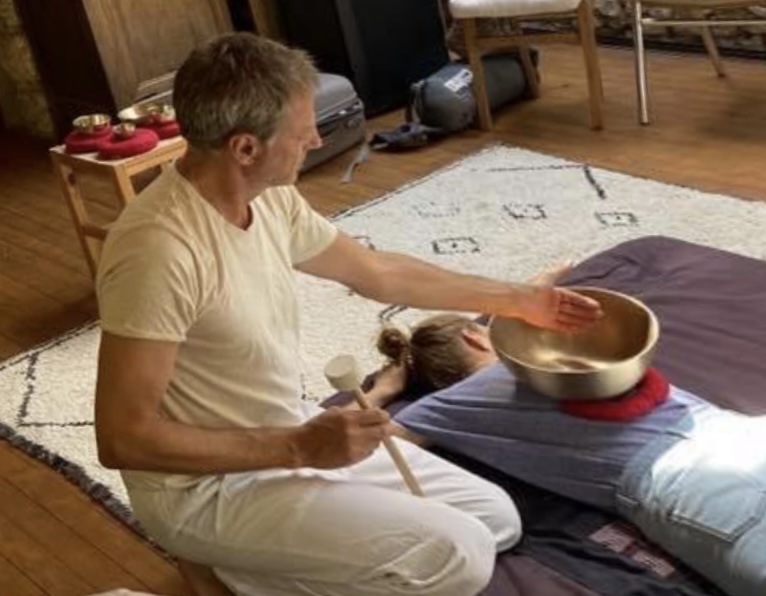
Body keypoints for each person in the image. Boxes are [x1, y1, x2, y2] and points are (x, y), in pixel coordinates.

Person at [93, 32, 603, 596]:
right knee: (463, 555)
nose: (315, 138)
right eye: (302, 130)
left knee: (496, 519)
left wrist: (519, 299)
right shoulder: (157, 252)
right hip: (205, 488)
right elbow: (123, 439)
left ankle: (247, 571)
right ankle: (219, 563)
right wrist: (298, 448)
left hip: (284, 431)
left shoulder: (267, 196)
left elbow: (376, 272)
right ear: (245, 149)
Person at [372, 313, 766, 596]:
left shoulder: (446, 406)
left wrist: (383, 391)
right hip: (733, 429)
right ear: (474, 336)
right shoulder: (570, 350)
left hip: (678, 481)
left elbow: (368, 439)